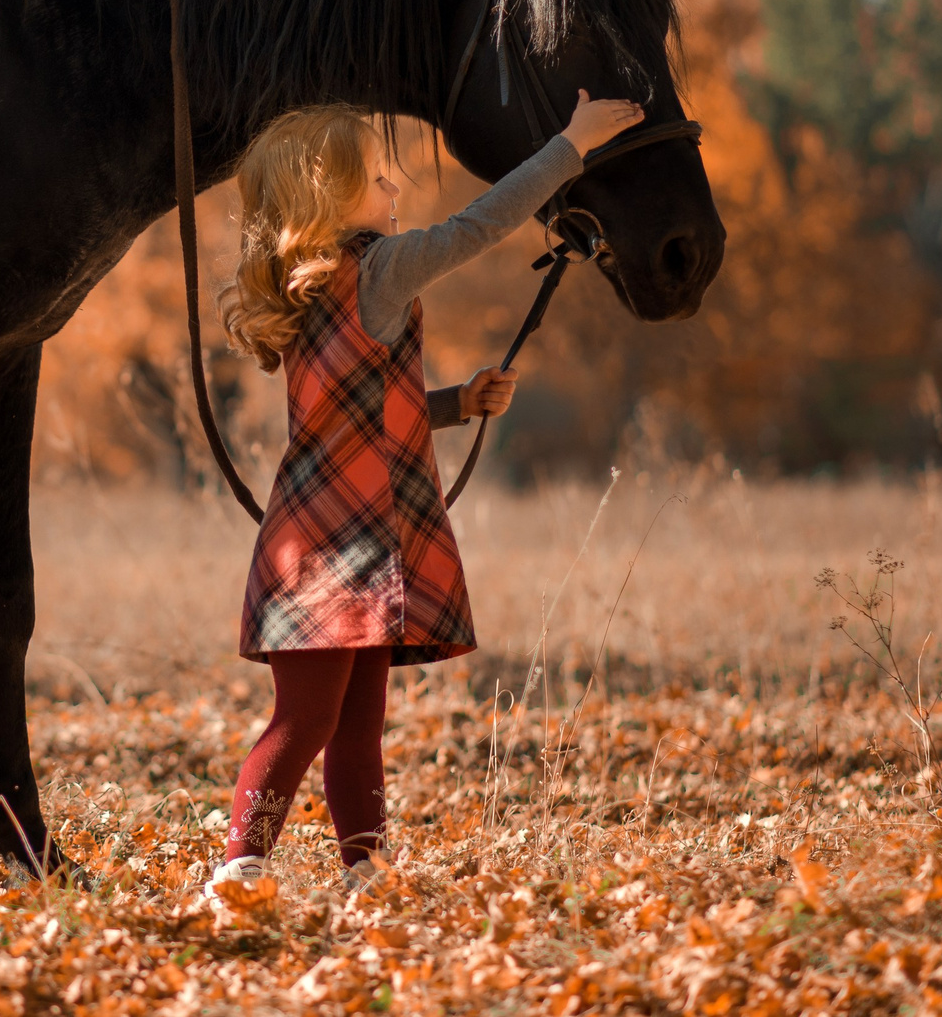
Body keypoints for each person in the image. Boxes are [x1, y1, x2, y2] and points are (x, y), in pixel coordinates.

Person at [205, 89, 645, 888]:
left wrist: (455, 404)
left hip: (330, 542)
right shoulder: (378, 267)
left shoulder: (312, 286)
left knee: (354, 724)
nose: (396, 190)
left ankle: (364, 869)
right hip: (341, 548)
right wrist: (568, 147)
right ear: (330, 197)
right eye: (378, 178)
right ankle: (239, 863)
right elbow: (480, 225)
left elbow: (358, 409)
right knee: (306, 720)